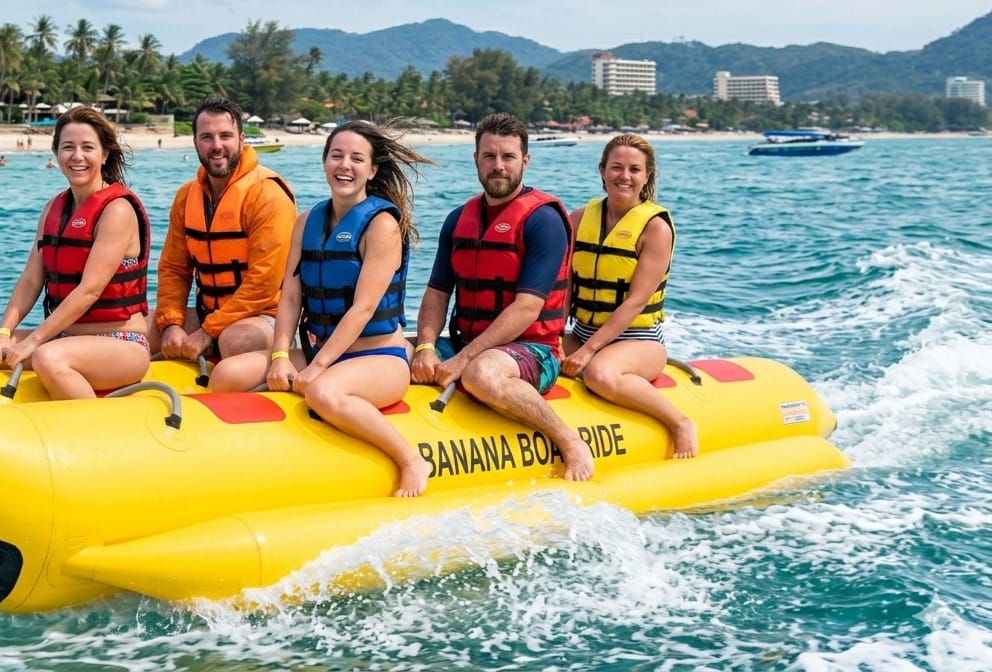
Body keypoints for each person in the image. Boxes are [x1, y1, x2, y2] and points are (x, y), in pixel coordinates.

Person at [212, 122, 433, 497]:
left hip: (379, 357)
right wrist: (281, 355)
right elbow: (291, 297)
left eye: (356, 159)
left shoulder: (381, 226)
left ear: (372, 170)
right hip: (321, 352)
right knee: (226, 375)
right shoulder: (307, 222)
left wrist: (315, 369)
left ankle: (411, 459)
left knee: (323, 393)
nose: (345, 165)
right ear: (325, 161)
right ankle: (256, 457)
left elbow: (363, 309)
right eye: (337, 155)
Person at [411, 113, 595, 482]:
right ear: (476, 159)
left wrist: (463, 359)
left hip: (533, 350)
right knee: (385, 353)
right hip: (465, 341)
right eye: (489, 156)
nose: (498, 166)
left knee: (482, 373)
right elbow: (436, 293)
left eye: (508, 157)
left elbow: (528, 307)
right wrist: (426, 347)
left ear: (525, 161)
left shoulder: (543, 220)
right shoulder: (457, 219)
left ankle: (569, 440)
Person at [0, 106, 152, 399]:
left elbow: (89, 291)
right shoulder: (53, 209)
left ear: (105, 154)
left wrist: (34, 341)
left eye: (88, 148)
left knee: (48, 357)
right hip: (64, 335)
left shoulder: (116, 210)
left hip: (121, 341)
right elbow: (32, 279)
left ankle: (96, 431)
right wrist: (3, 332)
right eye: (68, 147)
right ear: (56, 153)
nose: (77, 156)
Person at [562, 134, 697, 458]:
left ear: (646, 176)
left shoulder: (655, 229)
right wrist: (551, 335)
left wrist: (588, 352)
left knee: (599, 374)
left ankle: (679, 421)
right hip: (581, 333)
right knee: (525, 356)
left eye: (634, 169)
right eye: (617, 167)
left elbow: (636, 301)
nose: (624, 176)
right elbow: (565, 285)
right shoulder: (579, 218)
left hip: (638, 341)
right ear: (602, 170)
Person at [152, 96, 297, 362]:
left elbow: (263, 283)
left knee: (235, 340)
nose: (216, 146)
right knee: (147, 330)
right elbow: (174, 268)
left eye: (225, 136)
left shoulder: (267, 194)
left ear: (242, 140)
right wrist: (171, 322)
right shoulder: (186, 196)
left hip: (266, 316)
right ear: (195, 142)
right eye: (207, 137)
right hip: (209, 310)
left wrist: (208, 331)